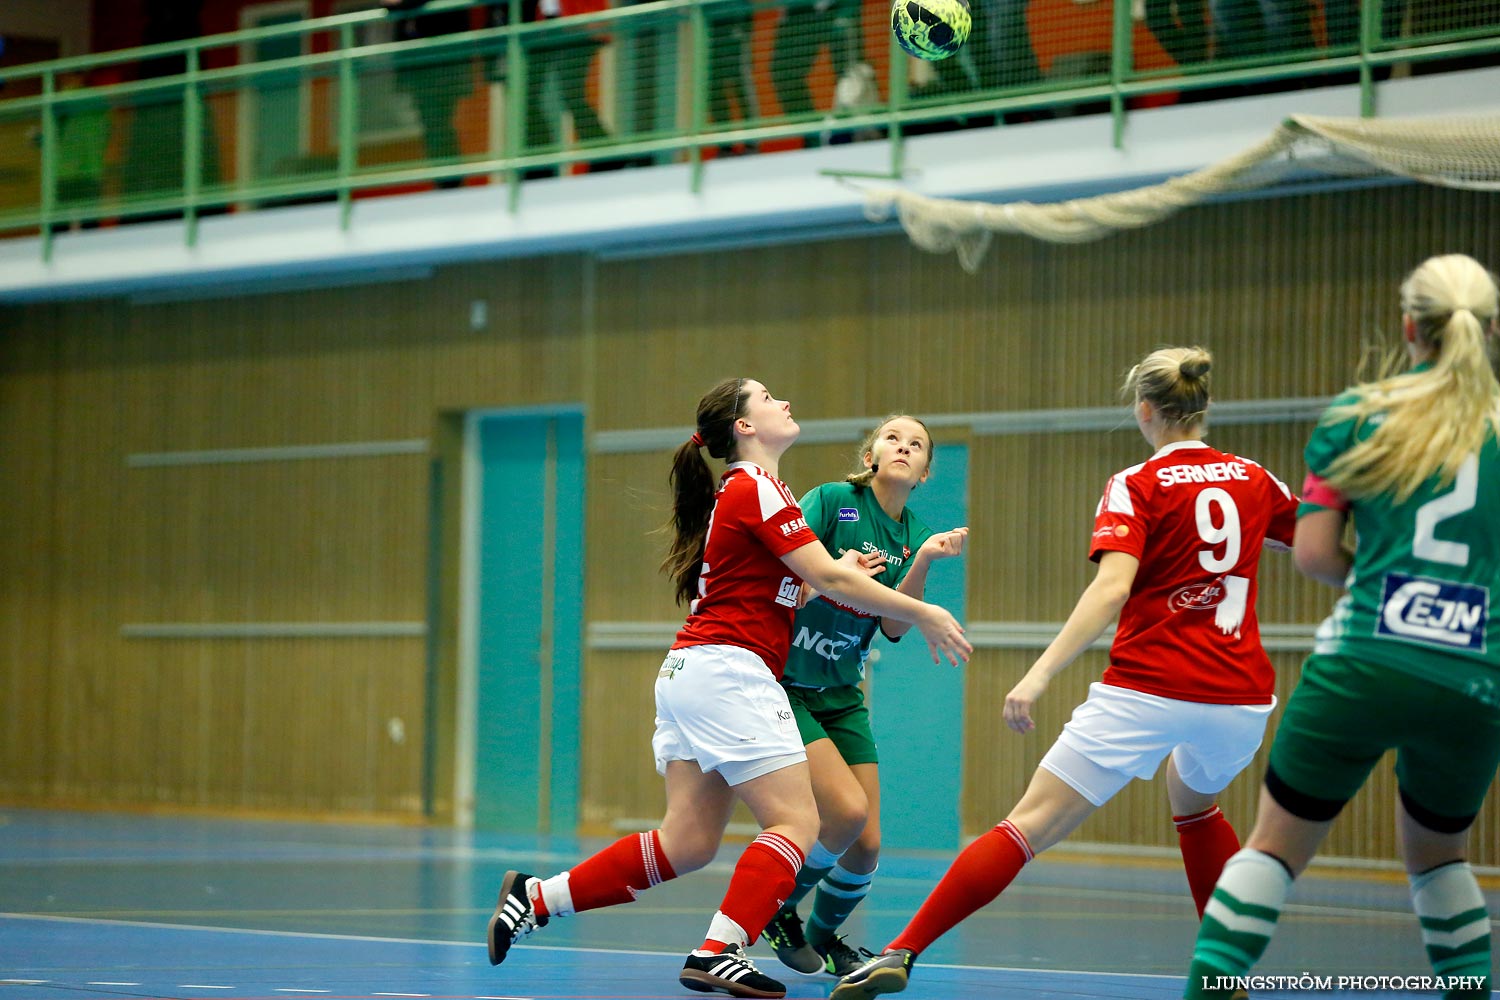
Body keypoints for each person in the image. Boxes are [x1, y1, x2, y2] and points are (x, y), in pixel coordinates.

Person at [833, 346, 1300, 1000]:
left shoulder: (1138, 483)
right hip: (1240, 697)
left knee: (1027, 824)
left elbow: (1111, 591)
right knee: (1194, 798)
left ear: (1144, 410)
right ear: (1205, 406)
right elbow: (1320, 545)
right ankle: (1223, 972)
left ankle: (901, 951)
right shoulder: (1256, 478)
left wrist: (1040, 675)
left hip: (1150, 685)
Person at [487, 378, 972, 1000]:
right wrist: (921, 610)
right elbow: (823, 574)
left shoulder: (759, 493)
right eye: (769, 398)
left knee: (685, 842)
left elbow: (803, 582)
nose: (785, 403)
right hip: (731, 670)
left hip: (693, 671)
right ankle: (719, 949)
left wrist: (835, 577)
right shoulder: (757, 487)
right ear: (744, 426)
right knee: (799, 819)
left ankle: (536, 898)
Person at [1183, 255, 1500, 1000]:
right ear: (1490, 330)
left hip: (1363, 660)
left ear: (1407, 327)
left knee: (1272, 851)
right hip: (1476, 676)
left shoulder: (1360, 414)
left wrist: (1394, 587)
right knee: (1441, 860)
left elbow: (1318, 556)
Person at [760, 415, 970, 978]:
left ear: (925, 472)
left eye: (917, 444)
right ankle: (776, 908)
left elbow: (896, 626)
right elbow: (777, 574)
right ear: (872, 454)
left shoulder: (912, 534)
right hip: (787, 685)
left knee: (868, 844)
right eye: (893, 438)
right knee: (846, 813)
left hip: (842, 693)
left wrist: (923, 558)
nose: (904, 447)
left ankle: (822, 937)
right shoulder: (832, 501)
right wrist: (836, 570)